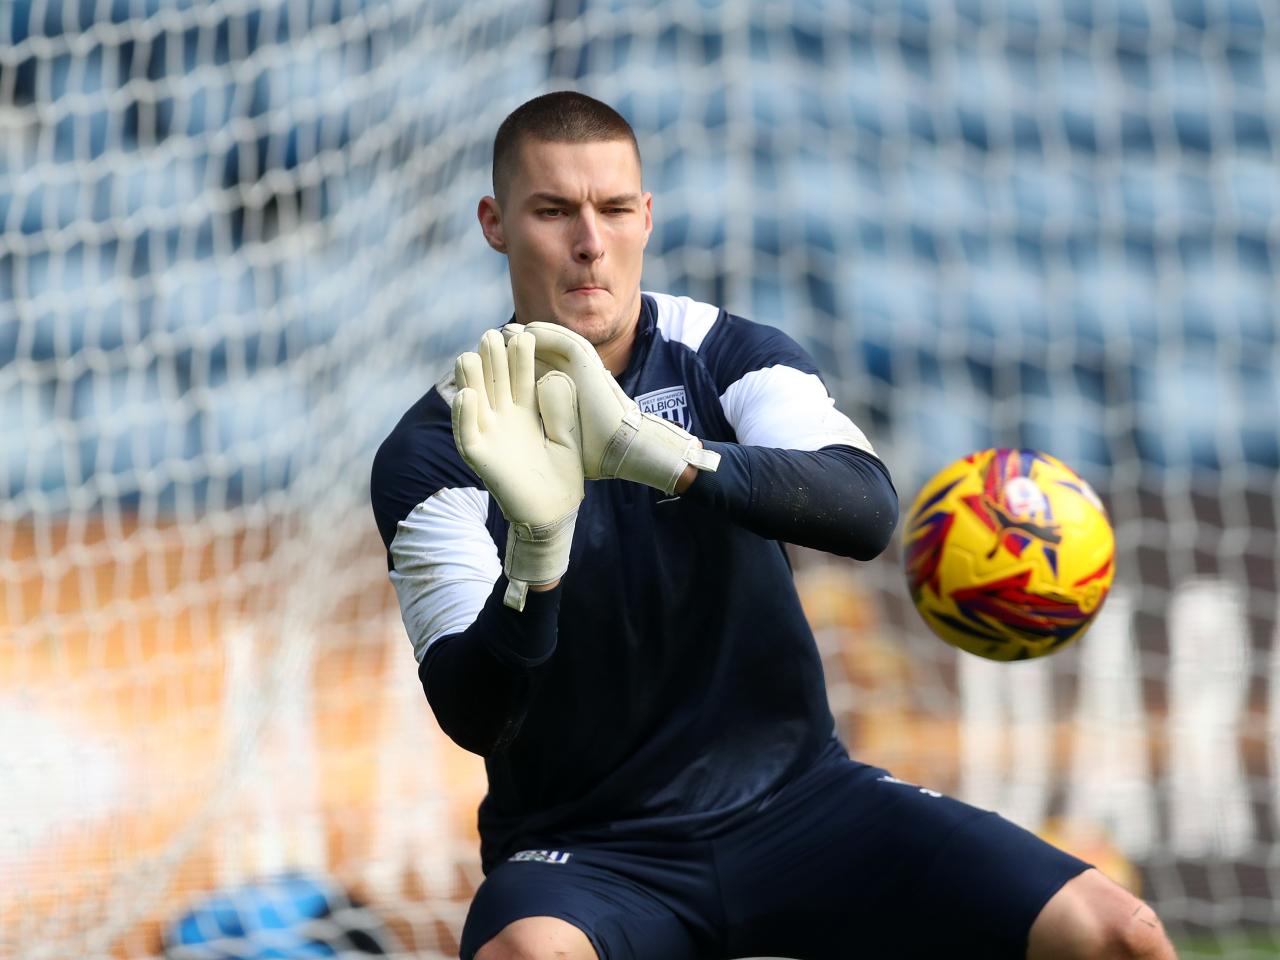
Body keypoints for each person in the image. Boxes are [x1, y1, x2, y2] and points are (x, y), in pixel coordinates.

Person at [370, 91, 1175, 960]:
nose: (589, 243)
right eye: (553, 210)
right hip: (590, 851)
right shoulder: (440, 445)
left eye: (612, 210)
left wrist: (655, 451)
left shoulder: (726, 352)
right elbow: (476, 715)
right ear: (495, 223)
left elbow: (864, 510)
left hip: (800, 805)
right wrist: (535, 552)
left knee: (1118, 934)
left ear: (647, 217)